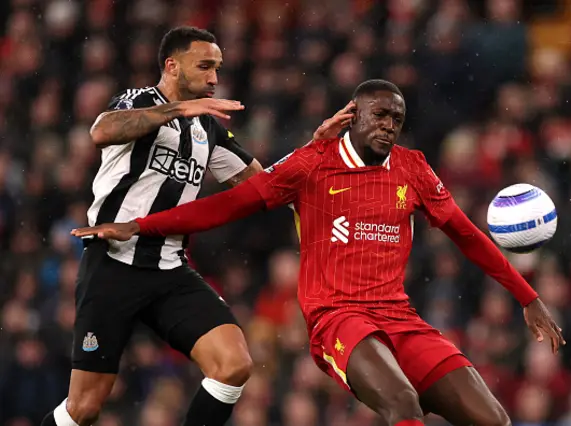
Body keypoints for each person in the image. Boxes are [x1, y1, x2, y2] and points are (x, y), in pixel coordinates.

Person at [72, 79, 566, 426]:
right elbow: (226, 206)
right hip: (338, 319)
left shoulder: (414, 168)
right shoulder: (312, 165)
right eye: (380, 115)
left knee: (492, 418)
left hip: (400, 318)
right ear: (354, 116)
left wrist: (527, 296)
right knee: (404, 404)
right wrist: (140, 224)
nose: (390, 125)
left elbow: (466, 234)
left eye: (398, 118)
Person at [43, 26, 350, 426]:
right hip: (113, 266)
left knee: (234, 364)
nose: (214, 79)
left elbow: (263, 185)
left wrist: (314, 149)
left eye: (217, 68)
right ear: (171, 65)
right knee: (84, 407)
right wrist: (174, 110)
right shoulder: (140, 101)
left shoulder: (208, 127)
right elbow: (102, 130)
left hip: (169, 269)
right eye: (204, 66)